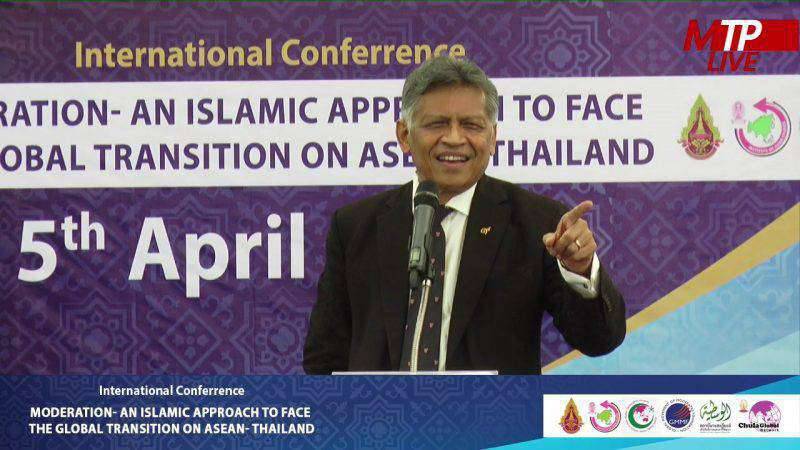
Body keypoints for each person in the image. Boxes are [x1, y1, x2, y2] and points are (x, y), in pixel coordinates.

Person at [303, 56, 625, 375]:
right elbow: (324, 359)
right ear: (404, 135)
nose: (455, 138)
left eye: (471, 125)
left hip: (494, 411)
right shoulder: (356, 226)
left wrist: (580, 270)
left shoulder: (536, 223)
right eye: (437, 124)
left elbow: (600, 340)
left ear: (492, 137)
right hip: (381, 410)